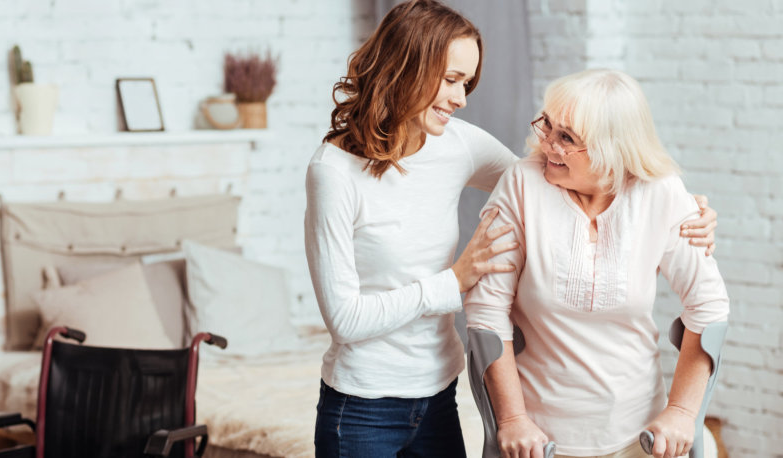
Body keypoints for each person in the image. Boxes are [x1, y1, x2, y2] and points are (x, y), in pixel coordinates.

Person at [304, 1, 717, 456]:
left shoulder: (457, 144)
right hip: (363, 403)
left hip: (439, 392)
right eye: (451, 80)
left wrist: (679, 212)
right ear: (406, 68)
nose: (462, 100)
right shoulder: (334, 173)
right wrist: (455, 281)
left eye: (467, 83)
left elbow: (539, 180)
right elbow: (344, 320)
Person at [464, 68, 730, 458]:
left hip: (640, 434)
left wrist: (681, 412)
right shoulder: (522, 186)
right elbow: (486, 313)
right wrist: (512, 420)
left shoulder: (662, 194)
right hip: (540, 439)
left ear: (612, 148)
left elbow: (709, 307)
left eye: (566, 138)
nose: (547, 145)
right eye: (548, 126)